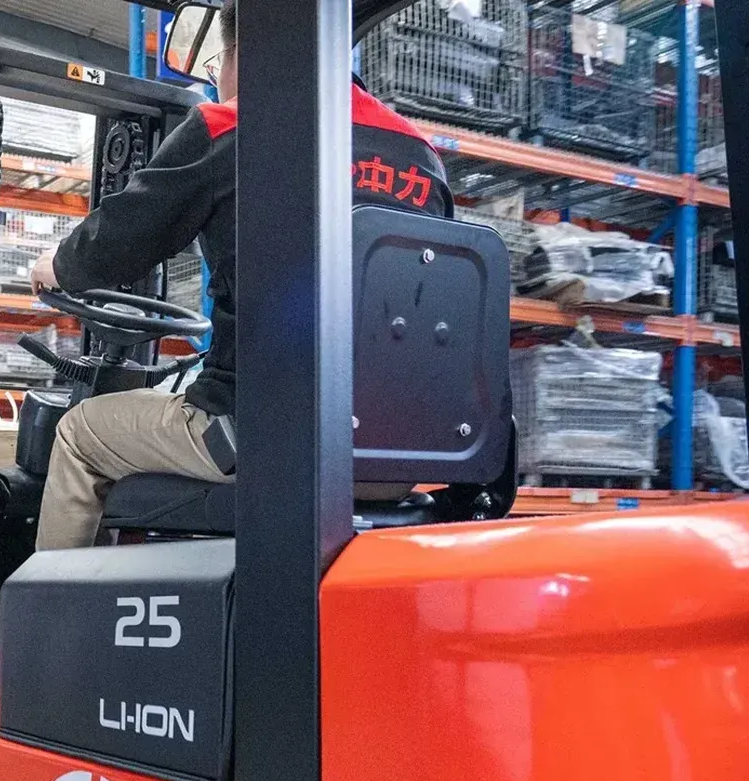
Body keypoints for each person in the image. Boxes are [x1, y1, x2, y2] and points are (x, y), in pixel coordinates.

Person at [29, 0, 453, 551]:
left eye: (216, 69)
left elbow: (118, 243)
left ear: (236, 55)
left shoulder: (227, 126)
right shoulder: (419, 153)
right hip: (394, 455)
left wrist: (59, 266)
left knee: (80, 432)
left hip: (260, 436)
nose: (217, 84)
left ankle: (48, 607)